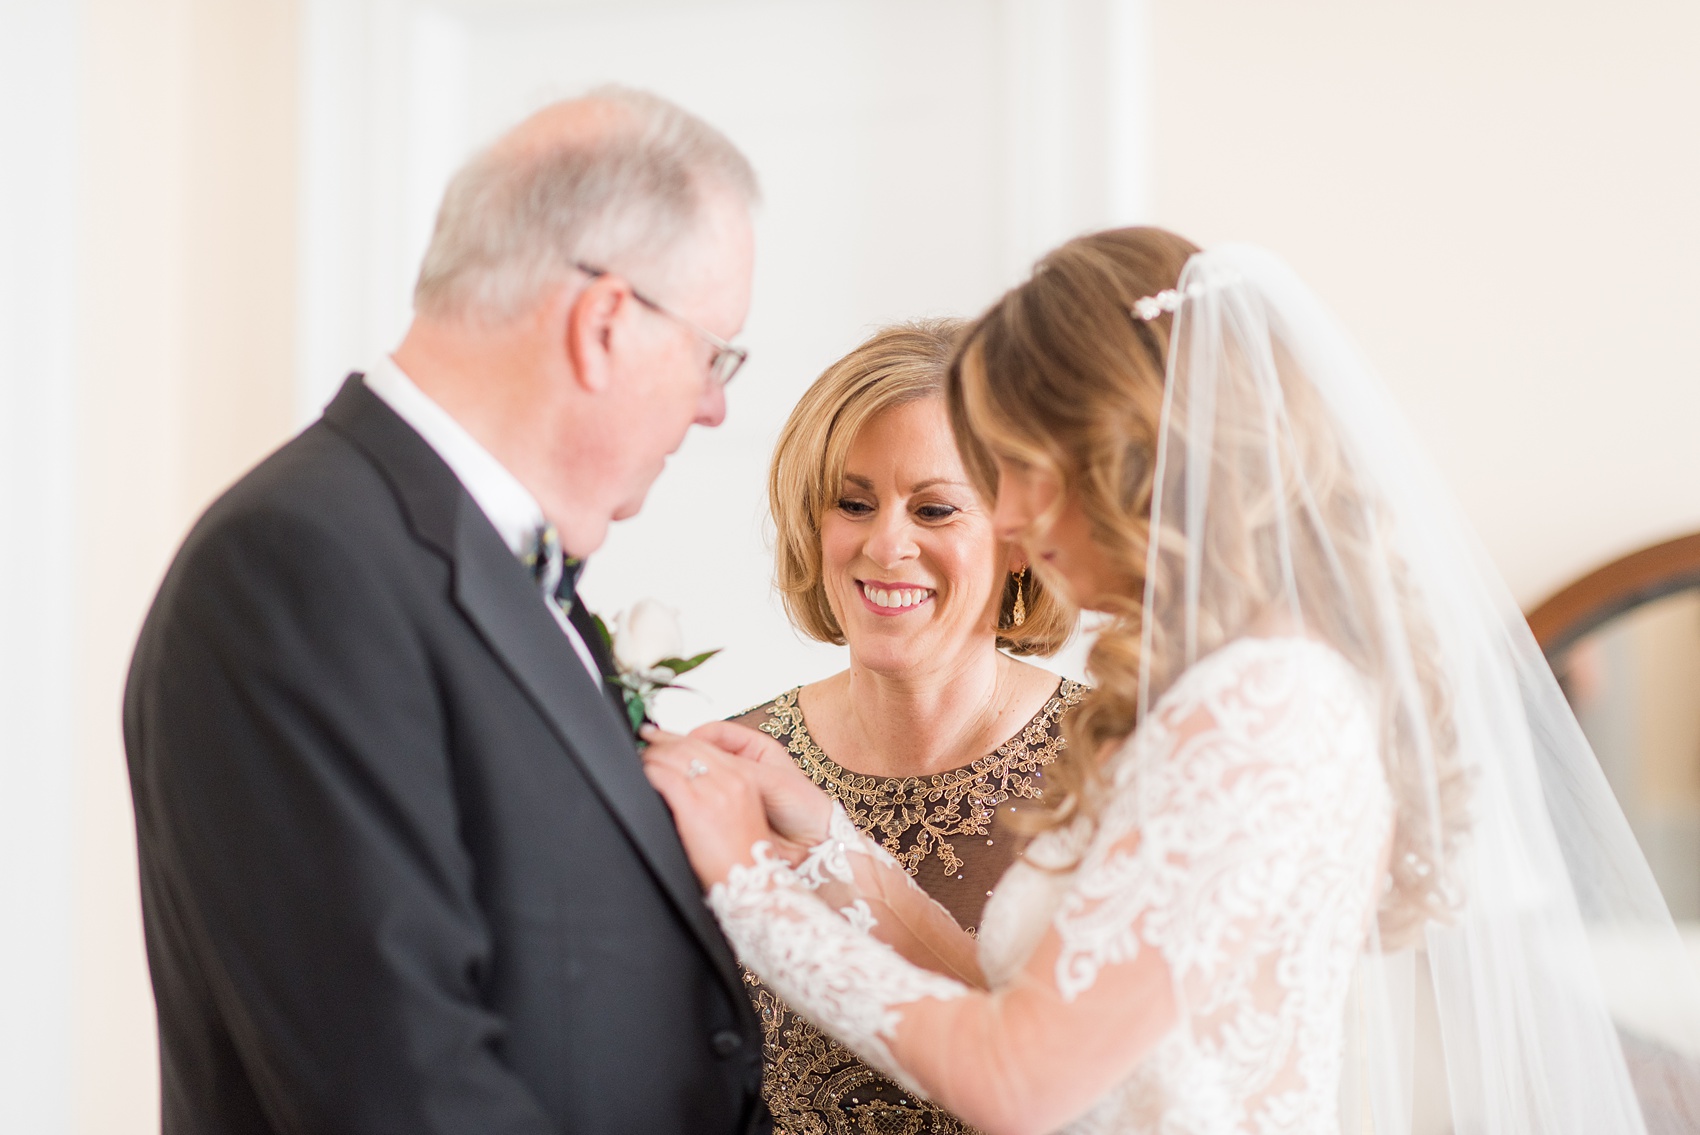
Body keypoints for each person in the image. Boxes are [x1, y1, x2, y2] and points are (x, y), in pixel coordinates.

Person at [642, 227, 1700, 1133]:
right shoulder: (1223, 687)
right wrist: (822, 837)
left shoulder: (1262, 709)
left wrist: (741, 877)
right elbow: (1040, 999)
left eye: (1021, 467)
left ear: (1127, 453)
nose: (1005, 517)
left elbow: (1018, 1079)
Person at [123, 88, 771, 1134]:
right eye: (714, 355)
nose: (713, 406)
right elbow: (398, 1087)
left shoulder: (484, 560)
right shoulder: (298, 568)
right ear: (604, 323)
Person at [735, 319, 1084, 1132]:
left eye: (934, 509)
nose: (887, 542)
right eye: (853, 503)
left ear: (1023, 539)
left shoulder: (1118, 764)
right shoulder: (739, 769)